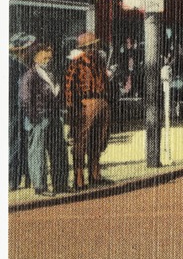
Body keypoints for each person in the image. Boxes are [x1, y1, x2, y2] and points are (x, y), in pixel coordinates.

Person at [19, 43, 70, 196]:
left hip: (54, 117)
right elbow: (26, 99)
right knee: (38, 153)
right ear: (36, 57)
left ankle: (60, 184)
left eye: (50, 56)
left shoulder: (52, 73)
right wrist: (35, 118)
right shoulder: (30, 75)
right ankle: (40, 187)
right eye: (45, 56)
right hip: (39, 119)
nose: (49, 59)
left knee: (59, 150)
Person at [63, 32, 112, 189]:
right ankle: (79, 178)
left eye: (94, 45)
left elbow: (105, 83)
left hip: (101, 102)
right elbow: (69, 88)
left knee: (99, 139)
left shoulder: (99, 63)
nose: (93, 48)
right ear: (83, 48)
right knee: (80, 142)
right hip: (85, 104)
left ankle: (95, 174)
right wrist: (72, 109)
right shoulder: (76, 64)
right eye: (90, 46)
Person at [9, 33, 35, 191]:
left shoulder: (20, 64)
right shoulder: (14, 66)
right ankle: (13, 178)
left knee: (22, 142)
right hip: (15, 109)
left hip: (19, 109)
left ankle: (22, 176)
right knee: (15, 142)